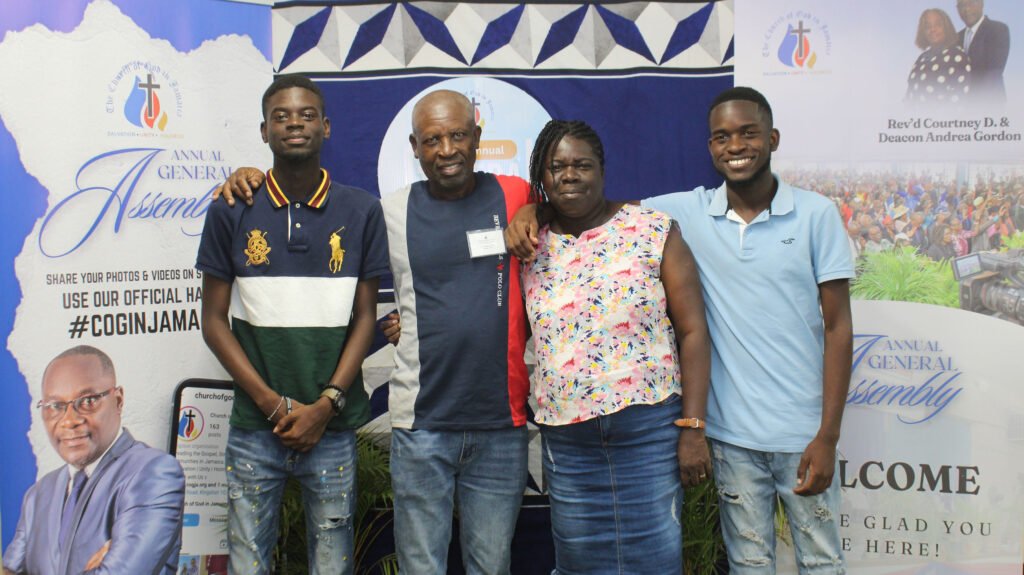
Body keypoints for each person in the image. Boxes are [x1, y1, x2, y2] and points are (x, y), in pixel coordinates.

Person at [506, 86, 854, 572]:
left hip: (771, 431)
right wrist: (534, 210)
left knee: (819, 561)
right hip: (703, 436)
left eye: (748, 133)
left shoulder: (809, 214)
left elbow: (834, 329)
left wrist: (826, 435)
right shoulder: (681, 211)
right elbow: (583, 208)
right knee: (746, 563)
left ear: (773, 138)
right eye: (722, 137)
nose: (735, 146)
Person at [214, 89, 532, 574]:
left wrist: (535, 210)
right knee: (419, 566)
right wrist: (247, 174)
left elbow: (568, 201)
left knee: (492, 565)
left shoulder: (517, 194)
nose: (446, 149)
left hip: (500, 426)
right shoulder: (387, 210)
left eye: (457, 136)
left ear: (478, 138)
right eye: (432, 139)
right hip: (421, 424)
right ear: (414, 147)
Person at [196, 74, 389, 574]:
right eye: (281, 116)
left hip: (333, 427)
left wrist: (326, 405)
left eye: (306, 115)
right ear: (263, 131)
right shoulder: (231, 208)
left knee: (332, 562)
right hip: (254, 428)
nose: (294, 124)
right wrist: (271, 402)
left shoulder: (362, 210)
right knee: (248, 562)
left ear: (326, 127)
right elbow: (213, 321)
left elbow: (365, 317)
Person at [521, 119, 712, 572]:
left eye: (582, 164)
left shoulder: (652, 230)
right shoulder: (530, 244)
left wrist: (694, 427)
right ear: (542, 178)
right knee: (579, 560)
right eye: (556, 167)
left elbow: (694, 332)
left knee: (655, 557)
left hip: (647, 431)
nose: (569, 175)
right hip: (568, 440)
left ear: (602, 170)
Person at [3, 345, 185, 575]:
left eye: (88, 401)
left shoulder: (154, 473)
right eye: (55, 406)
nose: (69, 420)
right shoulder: (38, 495)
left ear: (118, 400)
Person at [907, 9, 972, 106]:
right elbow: (910, 96)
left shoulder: (957, 58)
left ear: (947, 28)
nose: (932, 29)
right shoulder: (922, 58)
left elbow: (958, 103)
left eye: (938, 25)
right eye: (927, 26)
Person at [956, 0, 1010, 103]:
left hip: (988, 103)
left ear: (981, 4)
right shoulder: (956, 38)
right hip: (962, 107)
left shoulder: (997, 29)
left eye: (971, 3)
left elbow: (993, 72)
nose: (966, 9)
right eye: (961, 5)